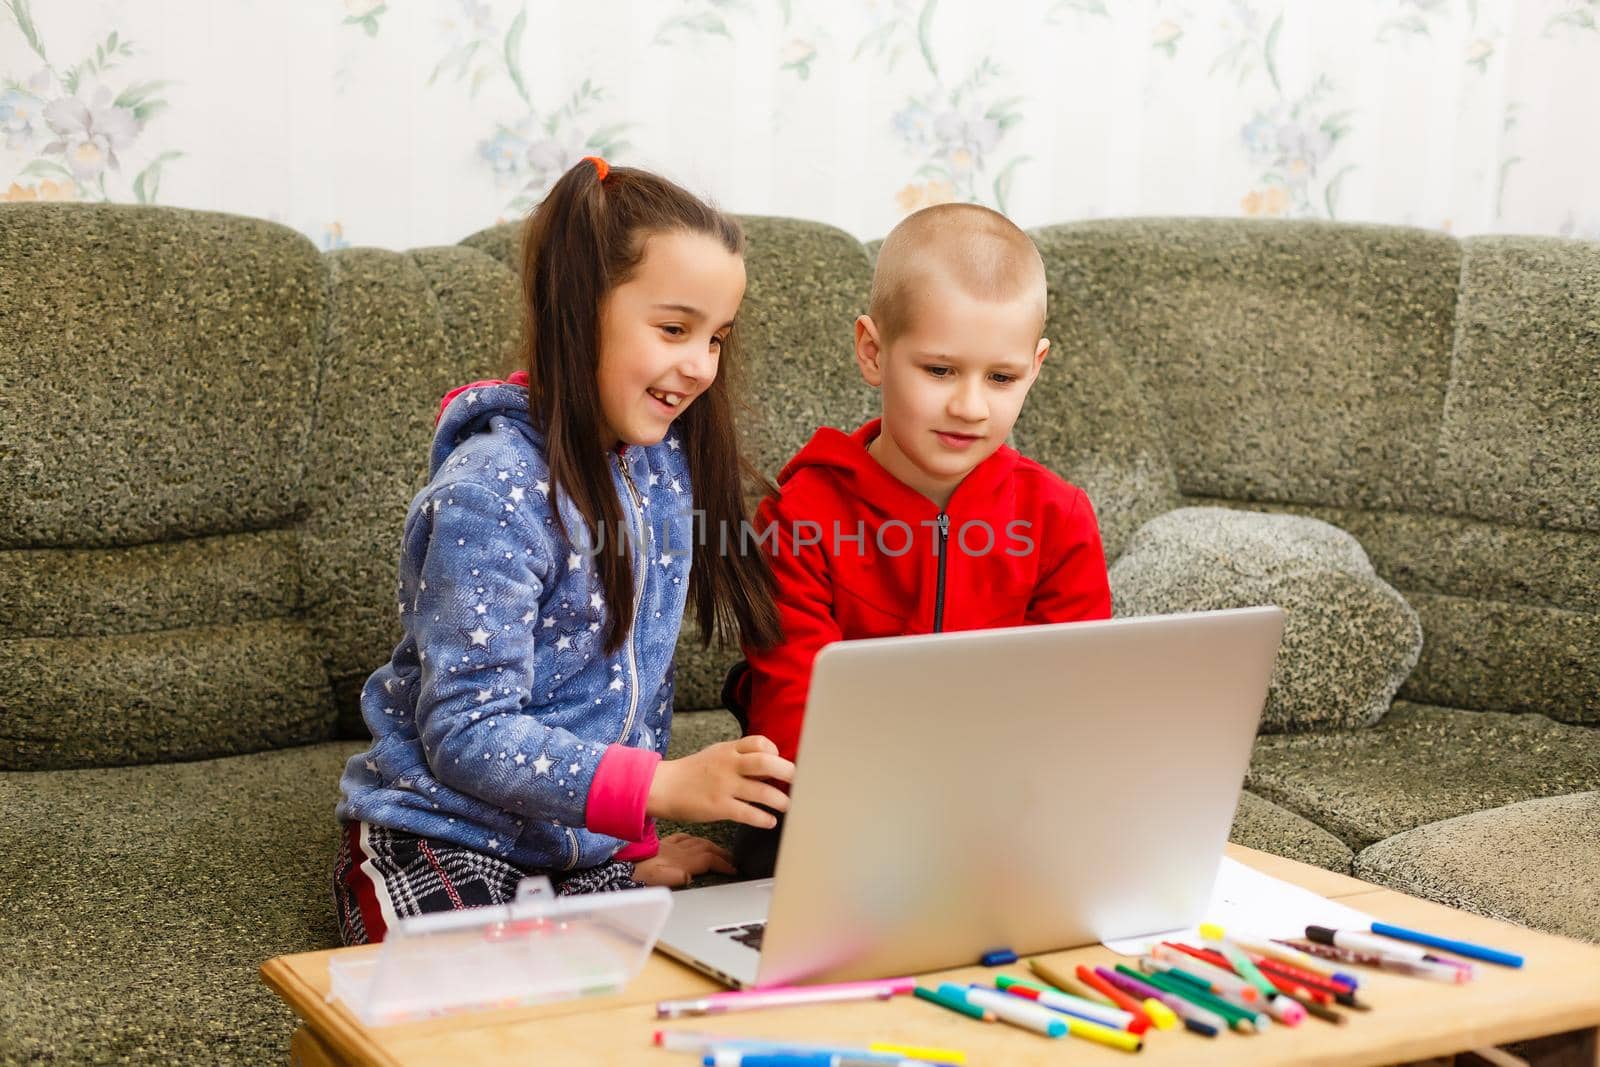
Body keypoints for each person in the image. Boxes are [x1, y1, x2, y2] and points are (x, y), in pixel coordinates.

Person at [333, 157, 792, 945]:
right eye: (674, 329)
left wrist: (629, 847)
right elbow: (468, 734)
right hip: (446, 836)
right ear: (581, 311)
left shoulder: (664, 466)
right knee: (479, 1015)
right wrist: (665, 784)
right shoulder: (492, 492)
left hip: (577, 852)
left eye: (716, 338)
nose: (700, 366)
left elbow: (632, 686)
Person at [725, 202, 1113, 875]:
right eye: (939, 370)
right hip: (833, 806)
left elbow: (1074, 712)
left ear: (1037, 366)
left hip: (1001, 803)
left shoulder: (1060, 518)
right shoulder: (801, 515)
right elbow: (796, 727)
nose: (969, 405)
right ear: (874, 352)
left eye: (1001, 377)